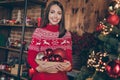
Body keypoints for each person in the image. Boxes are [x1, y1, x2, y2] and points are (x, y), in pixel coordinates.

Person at [27, 1, 72, 80]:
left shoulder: (66, 35)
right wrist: (38, 68)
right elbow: (31, 57)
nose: (55, 16)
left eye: (59, 13)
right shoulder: (39, 32)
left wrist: (69, 67)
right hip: (41, 77)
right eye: (52, 12)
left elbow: (69, 59)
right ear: (47, 14)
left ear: (62, 16)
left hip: (60, 77)